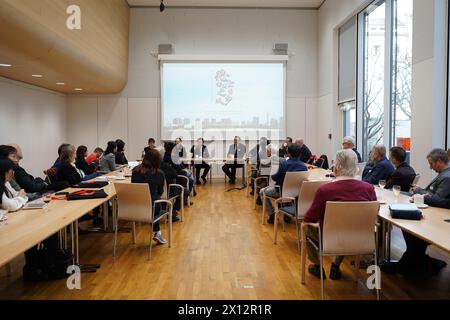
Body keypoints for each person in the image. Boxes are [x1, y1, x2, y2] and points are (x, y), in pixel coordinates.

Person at [303, 149, 377, 280]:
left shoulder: (324, 190)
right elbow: (374, 212)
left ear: (335, 168)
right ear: (356, 168)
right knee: (348, 225)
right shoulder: (368, 188)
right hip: (361, 239)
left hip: (330, 239)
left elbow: (309, 218)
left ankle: (317, 266)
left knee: (307, 226)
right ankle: (335, 265)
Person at [382, 149, 449, 277]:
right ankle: (415, 261)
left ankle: (409, 264)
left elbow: (437, 199)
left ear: (439, 162)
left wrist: (420, 192)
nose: (430, 166)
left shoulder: (446, 177)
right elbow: (431, 193)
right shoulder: (443, 174)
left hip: (436, 217)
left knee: (409, 228)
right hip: (430, 210)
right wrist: (419, 191)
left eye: (431, 163)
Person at [259, 143, 308, 224]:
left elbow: (275, 178)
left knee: (262, 192)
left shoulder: (284, 164)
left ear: (289, 153)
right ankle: (287, 215)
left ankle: (272, 215)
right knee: (288, 190)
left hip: (280, 192)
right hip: (296, 194)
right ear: (300, 154)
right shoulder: (304, 167)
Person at [131, 149, 169, 244]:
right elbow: (160, 192)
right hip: (150, 210)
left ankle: (158, 233)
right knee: (155, 201)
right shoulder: (159, 173)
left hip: (134, 208)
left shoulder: (135, 171)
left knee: (152, 201)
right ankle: (157, 232)